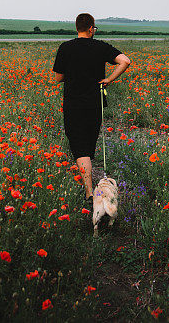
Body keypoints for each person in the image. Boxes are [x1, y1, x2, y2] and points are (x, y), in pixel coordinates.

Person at [53, 13, 131, 200]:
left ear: (77, 28)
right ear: (90, 28)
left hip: (73, 104)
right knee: (88, 146)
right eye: (94, 28)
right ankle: (91, 187)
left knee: (80, 148)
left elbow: (58, 78)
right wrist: (109, 80)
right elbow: (125, 61)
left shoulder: (66, 48)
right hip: (95, 104)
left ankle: (89, 192)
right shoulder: (101, 47)